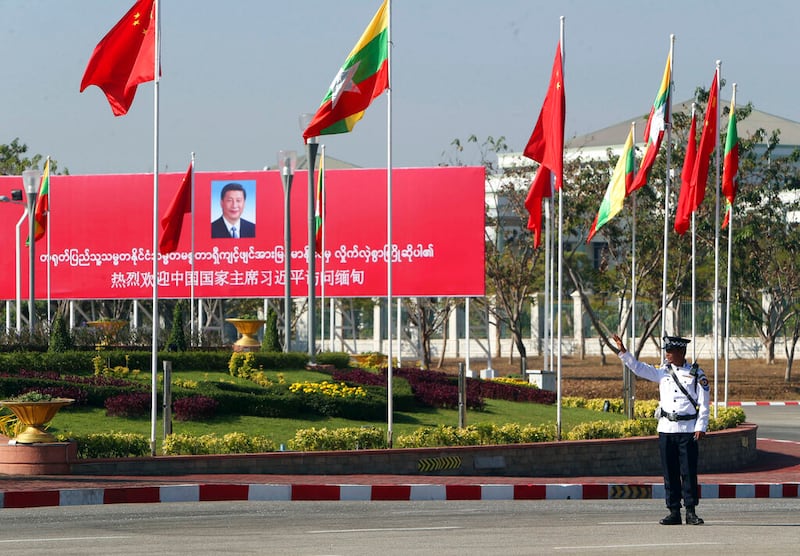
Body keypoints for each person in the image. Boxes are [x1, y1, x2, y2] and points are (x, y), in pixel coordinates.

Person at [612, 333, 710, 526]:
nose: (667, 354)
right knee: (670, 472)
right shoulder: (662, 372)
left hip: (688, 429)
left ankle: (690, 511)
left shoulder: (697, 374)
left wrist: (701, 426)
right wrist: (623, 352)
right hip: (666, 429)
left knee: (688, 472)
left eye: (670, 351)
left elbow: (704, 403)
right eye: (666, 351)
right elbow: (639, 368)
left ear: (681, 352)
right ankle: (673, 511)